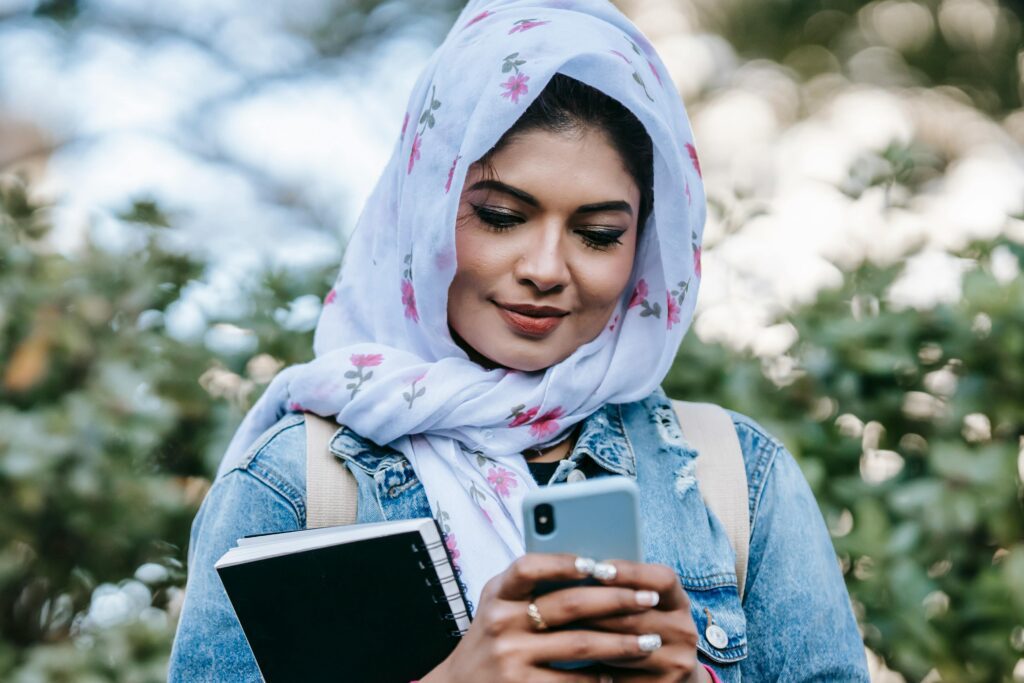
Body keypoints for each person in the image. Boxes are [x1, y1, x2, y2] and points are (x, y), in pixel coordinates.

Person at [169, 1, 870, 680]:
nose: (544, 269)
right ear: (426, 205)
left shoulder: (737, 480)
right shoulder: (298, 484)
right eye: (501, 217)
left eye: (597, 234)